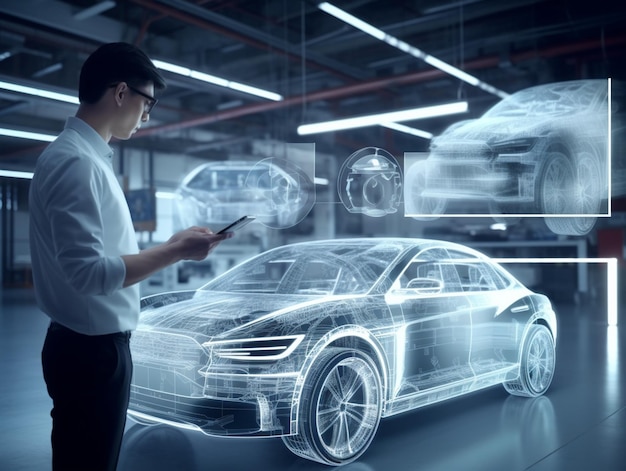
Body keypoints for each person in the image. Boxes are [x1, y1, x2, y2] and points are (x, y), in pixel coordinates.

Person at [28, 42, 232, 471]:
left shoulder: (76, 157)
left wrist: (172, 244)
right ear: (121, 92)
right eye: (148, 102)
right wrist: (176, 251)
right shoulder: (76, 164)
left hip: (80, 345)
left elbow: (97, 260)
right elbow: (88, 275)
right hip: (92, 353)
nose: (148, 115)